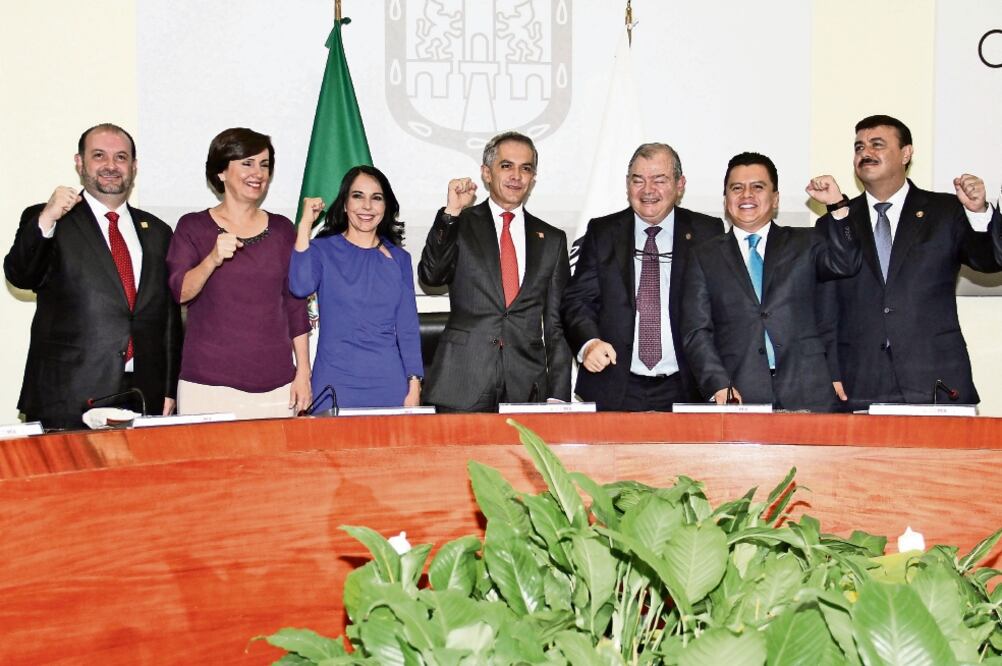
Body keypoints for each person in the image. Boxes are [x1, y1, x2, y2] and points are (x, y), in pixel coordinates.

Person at [813, 115, 1002, 409]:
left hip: (935, 377)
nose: (866, 153)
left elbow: (989, 260)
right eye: (859, 147)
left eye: (877, 145)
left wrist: (978, 213)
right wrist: (830, 370)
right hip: (859, 380)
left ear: (906, 153)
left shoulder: (945, 211)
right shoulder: (836, 221)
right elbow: (826, 307)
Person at [4, 123, 181, 430]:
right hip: (67, 395)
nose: (111, 166)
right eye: (99, 155)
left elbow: (167, 317)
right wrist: (47, 218)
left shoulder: (158, 232)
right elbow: (21, 275)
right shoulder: (51, 218)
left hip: (140, 394)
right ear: (79, 162)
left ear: (134, 167)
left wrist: (167, 389)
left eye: (121, 157)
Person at [682, 152, 861, 411]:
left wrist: (837, 205)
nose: (747, 195)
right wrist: (717, 383)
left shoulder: (806, 242)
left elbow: (846, 262)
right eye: (737, 188)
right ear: (725, 200)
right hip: (738, 393)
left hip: (808, 390)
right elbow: (696, 331)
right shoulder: (703, 256)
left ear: (775, 198)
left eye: (758, 187)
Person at [561, 143, 724, 411]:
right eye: (638, 180)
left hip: (687, 385)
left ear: (680, 184)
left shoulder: (707, 231)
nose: (648, 190)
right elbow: (577, 301)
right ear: (627, 185)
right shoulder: (603, 231)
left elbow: (722, 308)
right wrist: (588, 343)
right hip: (616, 384)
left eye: (659, 180)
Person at [418, 130, 571, 411]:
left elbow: (556, 323)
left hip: (526, 384)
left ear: (533, 177)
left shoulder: (552, 239)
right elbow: (431, 275)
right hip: (461, 380)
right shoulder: (460, 223)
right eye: (506, 166)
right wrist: (451, 213)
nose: (516, 176)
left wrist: (559, 393)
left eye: (526, 168)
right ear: (486, 173)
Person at [166, 128, 310, 419]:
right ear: (221, 172)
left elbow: (295, 306)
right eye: (247, 163)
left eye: (264, 164)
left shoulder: (282, 230)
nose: (258, 173)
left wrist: (304, 373)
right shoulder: (193, 227)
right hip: (207, 385)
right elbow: (180, 292)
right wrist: (212, 259)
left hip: (277, 385)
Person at [290, 166, 423, 409]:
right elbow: (300, 286)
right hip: (333, 382)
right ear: (344, 204)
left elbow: (408, 328)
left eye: (377, 198)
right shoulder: (322, 250)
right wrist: (304, 226)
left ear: (386, 207)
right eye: (358, 196)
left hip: (389, 384)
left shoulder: (399, 259)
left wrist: (414, 385)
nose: (367, 206)